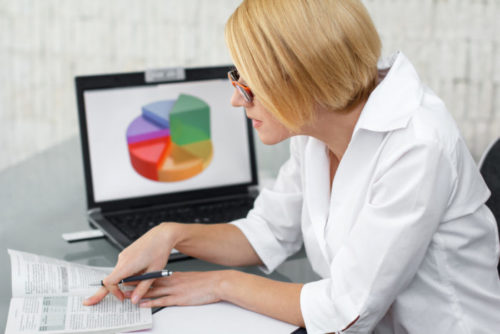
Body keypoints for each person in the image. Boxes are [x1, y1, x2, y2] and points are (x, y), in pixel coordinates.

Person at [84, 0, 500, 332]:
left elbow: (346, 312)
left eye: (247, 87)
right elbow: (267, 232)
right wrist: (170, 234)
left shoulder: (417, 145)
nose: (235, 100)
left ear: (299, 81)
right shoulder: (314, 129)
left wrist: (219, 283)